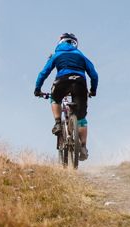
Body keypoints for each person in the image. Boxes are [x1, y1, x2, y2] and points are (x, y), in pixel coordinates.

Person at [34, 32, 99, 160]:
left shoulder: (57, 54)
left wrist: (37, 89)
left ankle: (58, 123)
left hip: (62, 82)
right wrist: (93, 91)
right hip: (80, 84)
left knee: (55, 98)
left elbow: (43, 73)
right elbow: (94, 75)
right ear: (74, 43)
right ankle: (83, 147)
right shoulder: (81, 55)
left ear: (60, 42)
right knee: (81, 119)